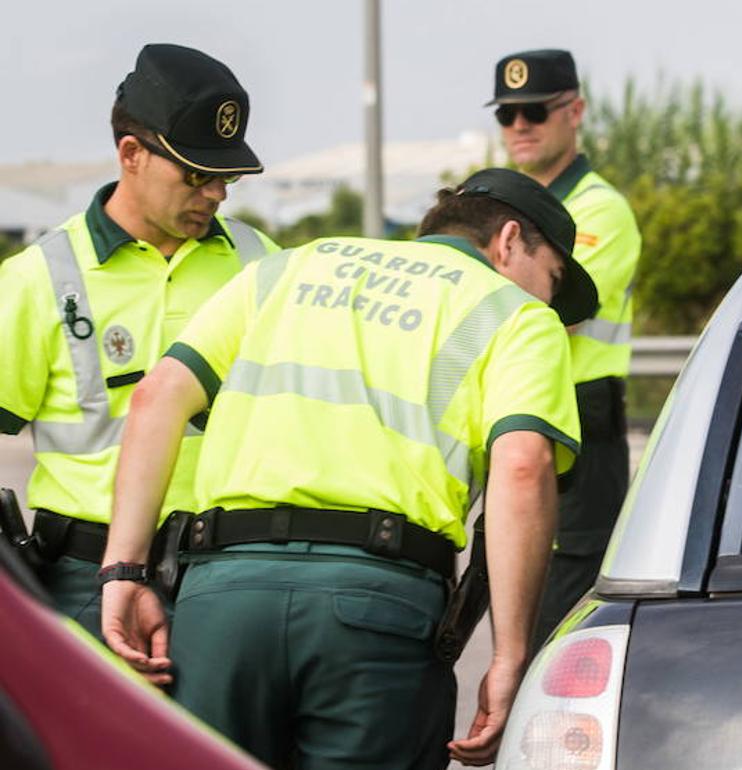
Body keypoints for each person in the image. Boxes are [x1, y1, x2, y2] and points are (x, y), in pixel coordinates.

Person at [99, 168, 597, 769]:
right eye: (553, 278)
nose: (548, 301)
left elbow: (157, 398)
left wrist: (123, 570)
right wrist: (509, 655)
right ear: (509, 240)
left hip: (222, 602)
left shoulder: (284, 270)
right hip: (375, 613)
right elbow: (523, 467)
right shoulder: (513, 315)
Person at [0, 43, 276, 639]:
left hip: (228, 574)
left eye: (227, 177)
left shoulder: (263, 263)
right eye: (197, 175)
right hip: (82, 578)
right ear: (131, 153)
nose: (217, 194)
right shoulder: (38, 277)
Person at [487, 48, 642, 643]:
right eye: (506, 114)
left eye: (534, 111)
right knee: (516, 615)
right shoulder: (510, 208)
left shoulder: (600, 209)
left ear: (574, 111)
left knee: (560, 628)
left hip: (584, 421)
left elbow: (551, 312)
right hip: (524, 417)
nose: (519, 126)